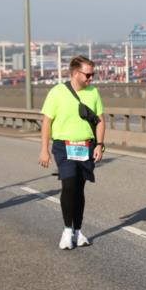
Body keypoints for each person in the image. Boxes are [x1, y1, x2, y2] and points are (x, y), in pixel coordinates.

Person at [37, 55, 105, 250]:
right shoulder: (57, 92)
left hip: (86, 146)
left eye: (93, 75)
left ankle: (78, 230)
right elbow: (46, 122)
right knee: (68, 185)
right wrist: (44, 150)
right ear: (75, 73)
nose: (91, 79)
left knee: (79, 189)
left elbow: (100, 120)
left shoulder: (93, 92)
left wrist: (99, 145)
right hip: (63, 146)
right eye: (88, 75)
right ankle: (67, 230)